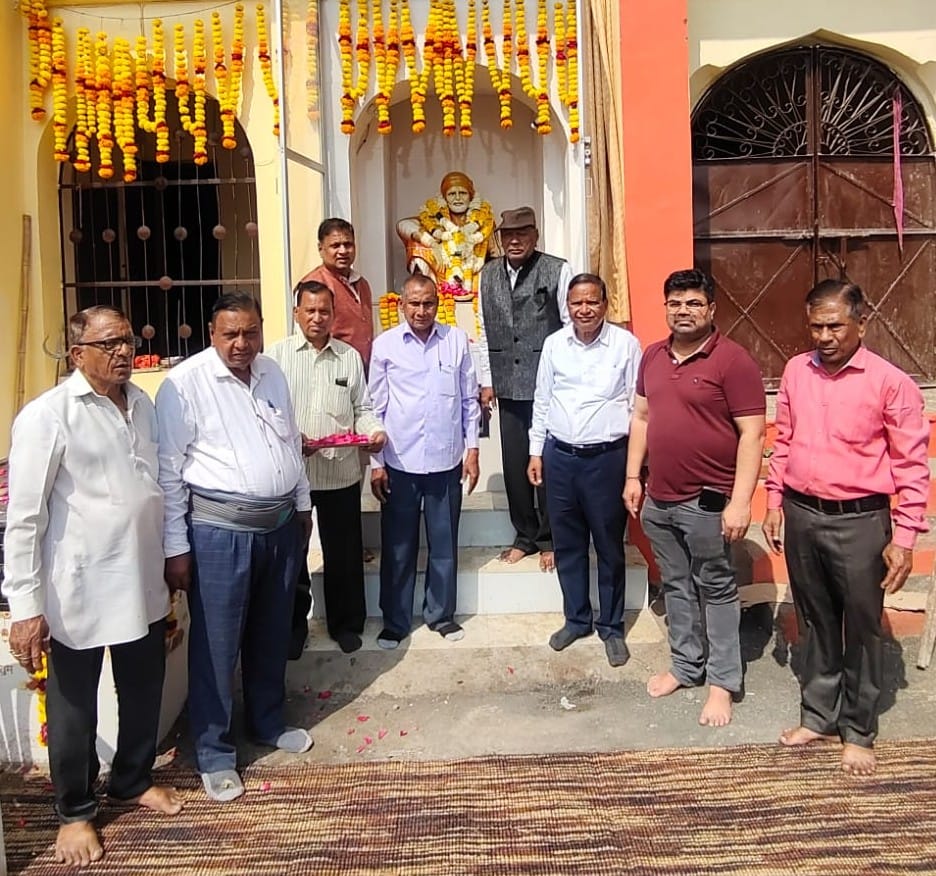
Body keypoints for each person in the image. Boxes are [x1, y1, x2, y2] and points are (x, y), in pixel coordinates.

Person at [2, 305, 183, 866]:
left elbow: (156, 482)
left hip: (142, 576)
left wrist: (170, 555)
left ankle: (132, 778)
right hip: (78, 585)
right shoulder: (48, 415)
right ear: (78, 354)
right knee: (74, 705)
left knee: (144, 687)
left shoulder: (143, 405)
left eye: (127, 340)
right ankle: (75, 811)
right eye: (109, 344)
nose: (123, 351)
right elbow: (24, 518)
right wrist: (25, 604)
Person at [763, 279, 930, 775]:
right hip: (802, 515)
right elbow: (784, 441)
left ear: (862, 323)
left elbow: (911, 466)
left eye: (835, 326)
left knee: (861, 625)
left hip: (860, 522)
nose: (824, 336)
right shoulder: (797, 371)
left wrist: (904, 539)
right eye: (816, 326)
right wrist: (774, 502)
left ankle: (857, 730)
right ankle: (818, 715)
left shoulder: (890, 383)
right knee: (814, 619)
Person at [156, 292, 314, 803]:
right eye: (230, 334)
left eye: (250, 332)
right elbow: (169, 472)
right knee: (217, 646)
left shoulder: (272, 373)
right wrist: (176, 547)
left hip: (280, 526)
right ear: (211, 333)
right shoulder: (184, 384)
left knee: (271, 633)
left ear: (261, 329)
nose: (241, 343)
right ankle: (215, 752)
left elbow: (289, 442)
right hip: (219, 532)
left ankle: (266, 722)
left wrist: (303, 505)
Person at [624, 269, 765, 727]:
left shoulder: (733, 361)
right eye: (675, 303)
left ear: (711, 309)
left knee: (717, 588)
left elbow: (752, 434)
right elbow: (642, 418)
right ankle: (686, 666)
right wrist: (633, 476)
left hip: (708, 502)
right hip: (659, 498)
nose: (683, 311)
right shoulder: (652, 356)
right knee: (676, 585)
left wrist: (740, 501)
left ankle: (722, 682)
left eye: (693, 303)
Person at [267, 280, 387, 655]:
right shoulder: (276, 358)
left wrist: (374, 431)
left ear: (334, 315)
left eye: (324, 311)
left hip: (340, 473)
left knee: (344, 553)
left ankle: (346, 624)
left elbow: (363, 408)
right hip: (294, 476)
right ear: (296, 313)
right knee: (293, 556)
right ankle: (292, 629)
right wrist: (292, 437)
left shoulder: (348, 357)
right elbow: (266, 411)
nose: (317, 318)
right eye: (310, 310)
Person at [527, 274, 642, 666]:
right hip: (559, 458)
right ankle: (576, 619)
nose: (584, 310)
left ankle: (611, 626)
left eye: (592, 302)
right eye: (577, 303)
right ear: (568, 306)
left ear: (605, 304)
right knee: (568, 544)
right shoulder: (554, 345)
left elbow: (637, 407)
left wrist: (634, 467)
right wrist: (536, 452)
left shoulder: (625, 345)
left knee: (608, 545)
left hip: (606, 460)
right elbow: (542, 400)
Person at [368, 274, 481, 648]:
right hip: (399, 462)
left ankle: (440, 615)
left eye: (428, 303)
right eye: (414, 303)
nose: (421, 310)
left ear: (438, 303)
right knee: (398, 547)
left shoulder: (455, 341)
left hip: (445, 462)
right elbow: (375, 408)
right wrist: (377, 464)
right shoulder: (385, 346)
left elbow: (469, 400)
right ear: (402, 304)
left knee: (444, 545)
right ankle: (395, 621)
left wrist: (472, 450)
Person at [477, 206, 574, 572]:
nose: (515, 240)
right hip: (507, 383)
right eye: (508, 235)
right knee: (515, 463)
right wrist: (487, 379)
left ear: (536, 235)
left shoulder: (557, 269)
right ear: (500, 239)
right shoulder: (487, 274)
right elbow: (484, 329)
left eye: (522, 233)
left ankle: (551, 537)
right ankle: (525, 535)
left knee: (546, 461)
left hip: (549, 384)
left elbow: (569, 327)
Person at [395, 170, 497, 298]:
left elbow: (496, 254)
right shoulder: (433, 216)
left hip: (473, 270)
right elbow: (403, 225)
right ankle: (427, 294)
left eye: (463, 193)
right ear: (444, 198)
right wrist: (431, 242)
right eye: (452, 194)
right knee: (417, 248)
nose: (458, 198)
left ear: (471, 196)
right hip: (441, 269)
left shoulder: (484, 219)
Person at [298, 218, 374, 370]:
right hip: (331, 367)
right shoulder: (313, 285)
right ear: (321, 249)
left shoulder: (362, 283)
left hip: (363, 369)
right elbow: (304, 338)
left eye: (348, 244)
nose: (343, 251)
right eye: (335, 246)